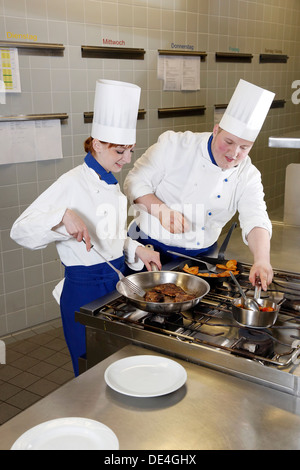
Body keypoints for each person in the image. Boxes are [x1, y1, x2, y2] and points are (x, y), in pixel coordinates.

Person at [10, 79, 161, 376]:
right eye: (120, 152)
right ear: (96, 145)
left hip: (118, 284)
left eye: (130, 151)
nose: (127, 159)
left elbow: (108, 236)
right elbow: (20, 230)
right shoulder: (71, 182)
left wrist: (136, 248)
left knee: (120, 364)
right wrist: (62, 216)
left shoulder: (109, 180)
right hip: (84, 290)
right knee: (91, 369)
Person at [124, 79, 275, 292]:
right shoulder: (175, 145)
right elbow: (134, 181)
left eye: (244, 147)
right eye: (229, 142)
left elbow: (255, 216)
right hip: (151, 252)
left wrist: (262, 259)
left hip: (201, 262)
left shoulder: (247, 174)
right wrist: (161, 211)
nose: (234, 154)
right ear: (216, 130)